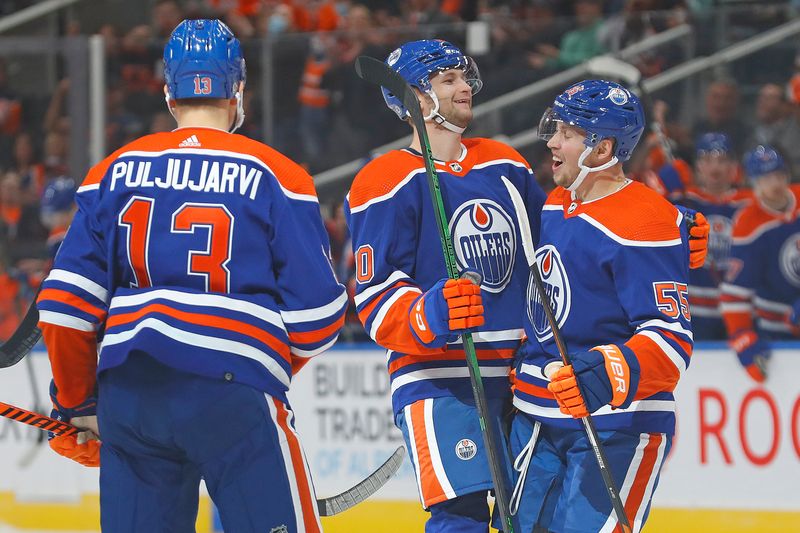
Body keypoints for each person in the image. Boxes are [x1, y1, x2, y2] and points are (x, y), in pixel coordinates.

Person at [36, 19, 346, 533]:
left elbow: (64, 308)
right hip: (232, 393)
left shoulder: (111, 171)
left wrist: (78, 402)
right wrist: (261, 367)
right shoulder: (278, 174)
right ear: (238, 89)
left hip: (131, 396)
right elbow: (317, 319)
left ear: (167, 93)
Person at [345, 39, 548, 532]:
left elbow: (556, 245)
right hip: (440, 380)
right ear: (415, 95)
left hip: (523, 374)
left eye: (463, 77)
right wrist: (429, 313)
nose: (463, 87)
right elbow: (374, 295)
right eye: (447, 79)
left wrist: (662, 239)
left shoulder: (503, 163)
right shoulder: (386, 179)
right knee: (462, 519)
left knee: (532, 519)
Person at [509, 80, 694, 533]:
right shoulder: (555, 204)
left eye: (567, 133)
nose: (552, 141)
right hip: (537, 419)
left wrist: (605, 374)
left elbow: (671, 341)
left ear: (601, 147)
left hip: (616, 426)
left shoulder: (645, 220)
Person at [654, 133, 753, 339]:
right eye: (707, 160)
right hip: (693, 311)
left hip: (740, 310)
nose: (715, 167)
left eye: (722, 160)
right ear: (697, 166)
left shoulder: (749, 204)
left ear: (734, 166)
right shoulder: (684, 201)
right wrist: (663, 190)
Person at [720, 145, 800, 383]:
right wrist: (741, 335)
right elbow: (734, 293)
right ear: (753, 182)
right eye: (765, 178)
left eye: (777, 174)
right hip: (775, 329)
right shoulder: (747, 224)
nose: (773, 183)